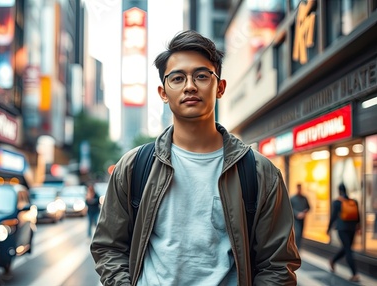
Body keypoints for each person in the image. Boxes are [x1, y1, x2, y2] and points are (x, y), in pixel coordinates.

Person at [90, 30, 300, 286]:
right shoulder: (134, 167)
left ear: (220, 87)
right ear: (163, 92)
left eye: (201, 76)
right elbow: (108, 247)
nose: (190, 86)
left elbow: (278, 264)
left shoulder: (258, 171)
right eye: (177, 78)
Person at [327, 182, 361, 282]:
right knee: (347, 249)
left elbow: (333, 217)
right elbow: (358, 215)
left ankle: (353, 273)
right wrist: (359, 227)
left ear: (339, 191)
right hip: (352, 228)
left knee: (347, 249)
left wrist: (328, 228)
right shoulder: (353, 201)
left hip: (342, 229)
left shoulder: (337, 202)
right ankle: (353, 272)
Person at [290, 183, 310, 249]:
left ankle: (298, 247)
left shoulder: (304, 198)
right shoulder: (292, 198)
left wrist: (304, 213)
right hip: (296, 219)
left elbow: (308, 207)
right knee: (297, 233)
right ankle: (295, 247)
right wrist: (297, 214)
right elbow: (290, 208)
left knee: (301, 234)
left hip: (302, 219)